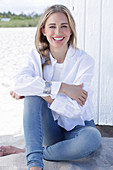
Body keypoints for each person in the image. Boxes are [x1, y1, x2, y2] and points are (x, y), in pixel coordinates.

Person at [10, 4, 101, 170]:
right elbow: (17, 83)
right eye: (52, 26)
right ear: (43, 31)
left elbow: (75, 110)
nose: (58, 33)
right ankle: (35, 165)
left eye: (64, 26)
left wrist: (39, 91)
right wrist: (63, 88)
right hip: (51, 130)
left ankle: (31, 151)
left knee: (93, 137)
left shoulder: (84, 61)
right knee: (32, 98)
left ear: (71, 30)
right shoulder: (35, 56)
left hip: (79, 127)